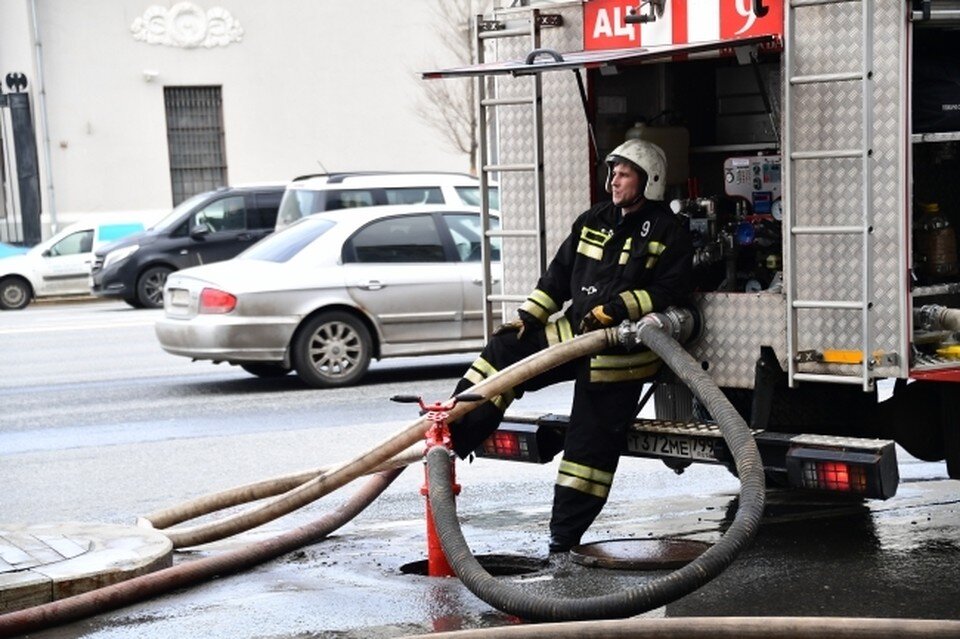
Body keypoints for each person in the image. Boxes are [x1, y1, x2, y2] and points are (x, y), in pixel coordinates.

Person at [448, 139, 694, 553]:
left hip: (621, 353)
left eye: (624, 173)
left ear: (648, 180)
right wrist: (530, 316)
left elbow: (670, 289)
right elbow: (558, 276)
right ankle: (455, 430)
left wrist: (616, 310)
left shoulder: (669, 232)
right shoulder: (594, 219)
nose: (613, 180)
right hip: (576, 333)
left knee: (588, 450)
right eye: (612, 172)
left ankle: (564, 536)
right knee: (506, 351)